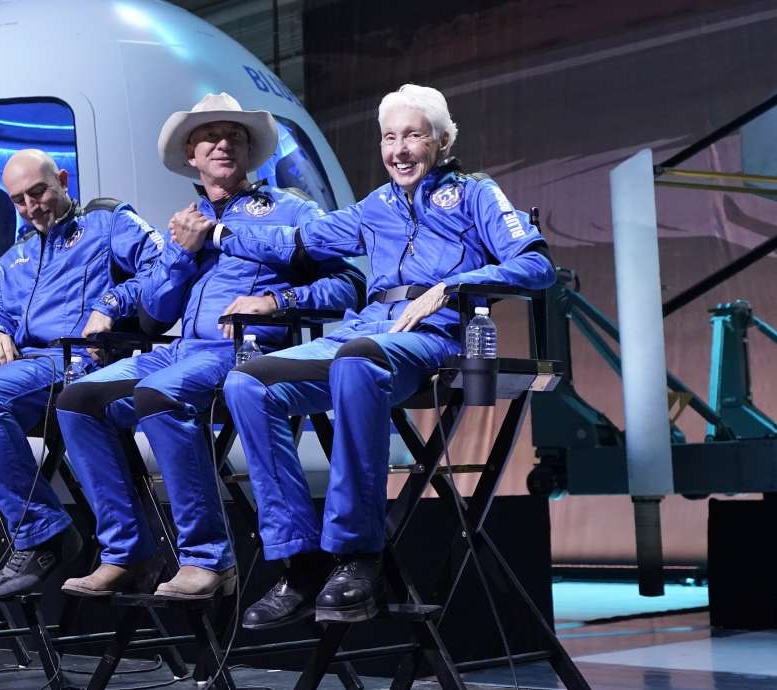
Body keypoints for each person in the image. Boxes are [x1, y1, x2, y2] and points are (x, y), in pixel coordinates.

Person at [170, 84, 556, 626]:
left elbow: (536, 264)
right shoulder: (375, 206)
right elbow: (298, 242)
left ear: (443, 141)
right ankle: (299, 563)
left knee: (356, 359)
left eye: (413, 136)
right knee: (248, 382)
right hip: (366, 331)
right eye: (389, 138)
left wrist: (452, 286)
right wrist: (218, 233)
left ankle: (356, 554)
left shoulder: (475, 194)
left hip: (431, 336)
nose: (400, 150)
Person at [54, 93, 364, 600]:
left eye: (234, 136)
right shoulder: (185, 221)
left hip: (240, 354)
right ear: (191, 155)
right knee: (77, 400)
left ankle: (207, 559)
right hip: (177, 351)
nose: (223, 144)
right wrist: (181, 252)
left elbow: (349, 284)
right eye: (210, 138)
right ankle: (126, 552)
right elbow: (155, 314)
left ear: (248, 151)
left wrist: (276, 300)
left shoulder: (290, 209)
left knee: (160, 394)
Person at [0, 149, 168, 598]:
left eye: (38, 192)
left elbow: (163, 266)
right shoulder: (14, 256)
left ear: (63, 180)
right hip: (15, 366)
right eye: (18, 200)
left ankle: (42, 533)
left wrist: (110, 303)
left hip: (71, 362)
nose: (30, 207)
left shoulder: (107, 221)